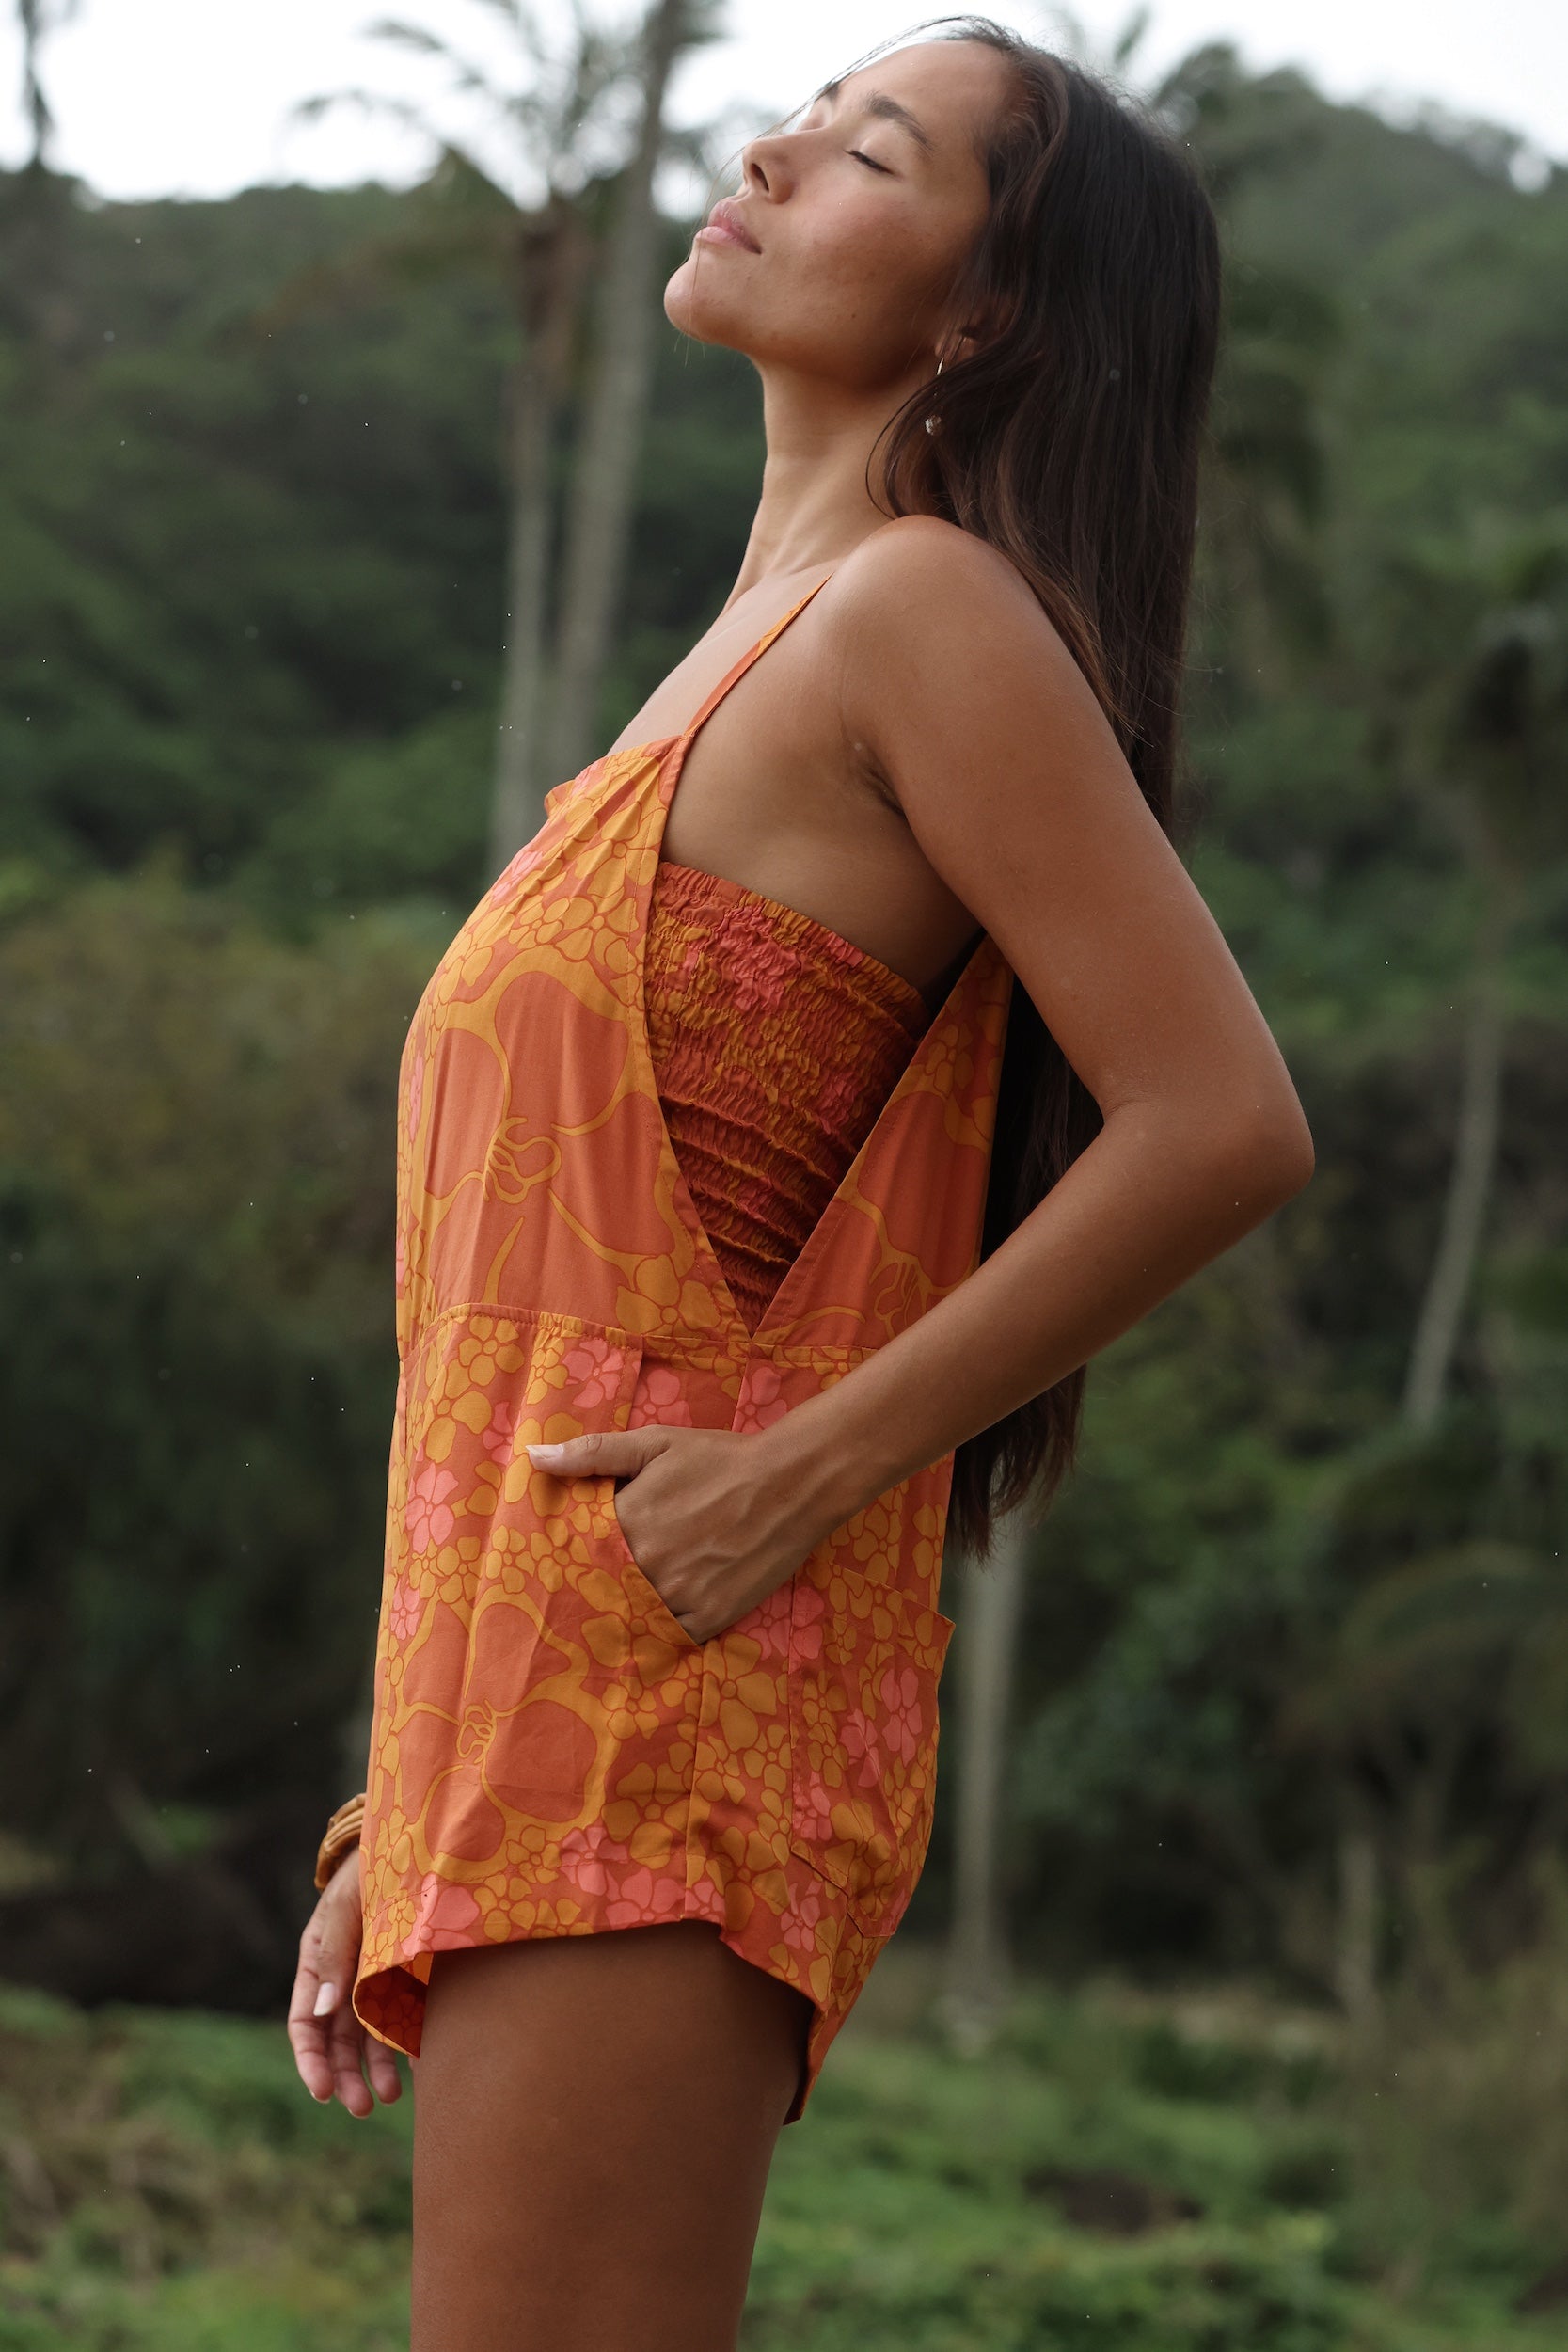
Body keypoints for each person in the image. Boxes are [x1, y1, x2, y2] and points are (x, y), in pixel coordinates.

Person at [287, 19, 1313, 2348]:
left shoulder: (921, 615)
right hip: (526, 1705)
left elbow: (1221, 1112)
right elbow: (527, 1313)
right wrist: (391, 1796)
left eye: (863, 149)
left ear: (982, 318)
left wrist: (800, 1477)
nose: (760, 144)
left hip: (666, 1699)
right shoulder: (715, 668)